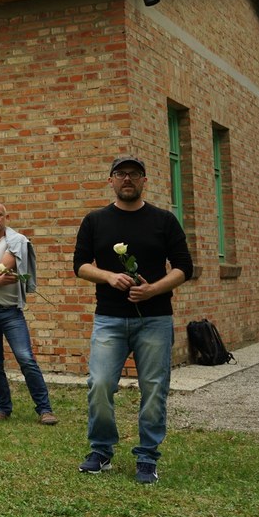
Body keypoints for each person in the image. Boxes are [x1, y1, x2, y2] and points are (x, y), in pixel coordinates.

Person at [73, 157, 193, 484]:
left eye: (134, 174)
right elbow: (80, 265)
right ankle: (101, 451)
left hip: (155, 319)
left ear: (144, 180)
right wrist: (109, 277)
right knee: (100, 384)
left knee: (154, 388)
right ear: (111, 180)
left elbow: (184, 267)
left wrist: (153, 289)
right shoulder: (95, 220)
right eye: (121, 173)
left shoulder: (164, 220)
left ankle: (147, 457)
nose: (128, 179)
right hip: (109, 319)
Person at [0, 202, 58, 426]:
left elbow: (3, 267)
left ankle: (45, 409)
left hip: (11, 312)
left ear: (6, 217)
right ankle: (3, 409)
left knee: (26, 359)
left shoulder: (17, 241)